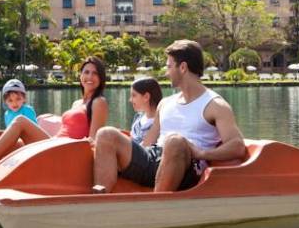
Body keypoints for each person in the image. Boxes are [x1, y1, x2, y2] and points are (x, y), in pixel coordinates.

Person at [92, 40, 246, 193]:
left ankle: (157, 205)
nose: (166, 72)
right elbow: (147, 144)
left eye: (169, 66)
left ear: (183, 67)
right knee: (106, 134)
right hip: (155, 159)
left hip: (187, 167)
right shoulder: (165, 103)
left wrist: (202, 153)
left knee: (175, 141)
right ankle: (100, 200)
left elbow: (237, 146)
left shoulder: (215, 105)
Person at [0, 56, 108, 171]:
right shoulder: (77, 103)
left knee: (20, 120)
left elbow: (94, 141)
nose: (89, 77)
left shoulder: (98, 102)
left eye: (94, 73)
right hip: (55, 143)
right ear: (80, 76)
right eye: (86, 72)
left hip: (65, 151)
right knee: (16, 143)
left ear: (100, 78)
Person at [129, 77, 162, 144]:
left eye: (134, 95)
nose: (130, 100)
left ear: (146, 97)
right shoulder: (138, 117)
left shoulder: (161, 122)